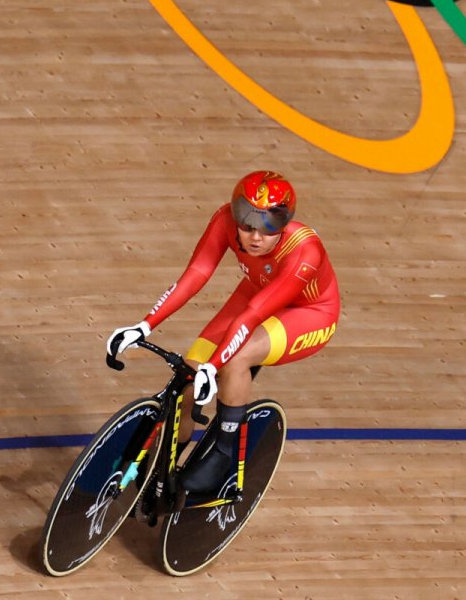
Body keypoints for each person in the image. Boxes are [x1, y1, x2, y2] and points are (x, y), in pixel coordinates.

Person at [105, 170, 340, 495]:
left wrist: (214, 367)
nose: (255, 237)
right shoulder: (223, 221)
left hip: (307, 312)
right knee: (188, 377)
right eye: (246, 223)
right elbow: (196, 273)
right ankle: (161, 468)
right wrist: (144, 324)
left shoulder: (304, 252)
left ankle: (223, 451)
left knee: (236, 359)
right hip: (257, 292)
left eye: (269, 226)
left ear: (285, 223)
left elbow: (252, 316)